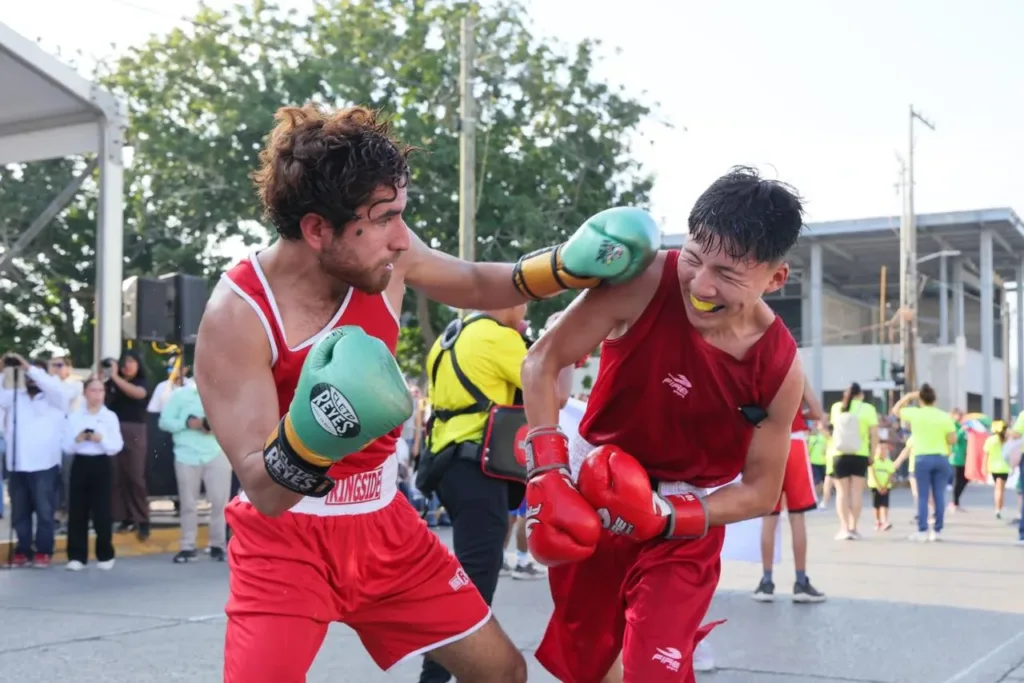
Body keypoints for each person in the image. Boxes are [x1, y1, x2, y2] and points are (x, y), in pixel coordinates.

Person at [193, 103, 659, 683]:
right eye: (384, 219)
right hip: (285, 545)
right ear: (317, 230)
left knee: (502, 673)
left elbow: (473, 282)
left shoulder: (386, 254)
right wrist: (314, 434)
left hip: (385, 525)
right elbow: (264, 490)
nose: (401, 238)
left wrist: (564, 267)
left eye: (400, 215)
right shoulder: (237, 316)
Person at [520, 166, 806, 683]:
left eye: (727, 274)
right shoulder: (646, 280)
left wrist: (667, 515)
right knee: (590, 669)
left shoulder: (779, 366)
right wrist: (548, 472)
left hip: (685, 523)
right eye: (694, 257)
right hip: (591, 499)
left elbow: (762, 491)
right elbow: (543, 361)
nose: (701, 285)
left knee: (654, 670)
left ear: (775, 278)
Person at [753, 382, 826, 603]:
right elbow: (817, 412)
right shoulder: (796, 373)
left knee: (769, 516)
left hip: (768, 444)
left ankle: (766, 582)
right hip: (794, 442)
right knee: (797, 516)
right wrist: (798, 414)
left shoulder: (760, 372)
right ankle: (801, 582)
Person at [158, 381, 232, 563]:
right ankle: (187, 546)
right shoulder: (180, 395)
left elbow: (233, 421)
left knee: (220, 502)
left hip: (217, 452)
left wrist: (209, 426)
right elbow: (164, 421)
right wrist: (187, 423)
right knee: (188, 504)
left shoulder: (223, 393)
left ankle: (218, 546)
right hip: (186, 454)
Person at [63, 378, 124, 570]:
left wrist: (101, 439)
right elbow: (66, 446)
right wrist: (79, 439)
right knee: (77, 510)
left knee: (102, 510)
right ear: (85, 393)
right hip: (80, 462)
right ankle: (76, 556)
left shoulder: (110, 417)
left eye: (100, 391)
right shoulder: (74, 416)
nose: (97, 395)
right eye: (93, 390)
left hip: (101, 463)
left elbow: (116, 446)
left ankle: (105, 554)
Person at [890, 384, 956, 542]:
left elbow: (895, 410)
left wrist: (908, 396)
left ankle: (922, 530)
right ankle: (937, 530)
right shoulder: (944, 416)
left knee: (923, 495)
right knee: (939, 494)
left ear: (920, 399)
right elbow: (952, 439)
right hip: (940, 457)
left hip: (921, 458)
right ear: (935, 399)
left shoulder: (915, 414)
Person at [104, 351, 151, 540]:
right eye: (124, 362)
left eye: (132, 362)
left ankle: (142, 519)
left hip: (135, 431)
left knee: (135, 475)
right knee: (116, 476)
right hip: (113, 430)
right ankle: (124, 517)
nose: (128, 366)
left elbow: (138, 394)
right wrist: (103, 373)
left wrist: (116, 378)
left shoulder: (142, 382)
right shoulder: (110, 384)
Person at [826, 382, 879, 540]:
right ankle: (853, 527)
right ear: (860, 394)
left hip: (839, 453)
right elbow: (874, 435)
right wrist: (872, 454)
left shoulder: (836, 407)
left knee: (842, 493)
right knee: (856, 492)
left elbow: (833, 430)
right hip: (860, 454)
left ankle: (844, 528)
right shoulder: (868, 409)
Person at [983, 420, 1011, 518]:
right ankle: (999, 508)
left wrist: (984, 467)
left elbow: (986, 455)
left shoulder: (990, 440)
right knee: (1001, 489)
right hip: (1005, 467)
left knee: (998, 489)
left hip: (993, 467)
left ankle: (998, 508)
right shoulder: (1008, 440)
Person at [868, 442, 894, 531]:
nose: (883, 451)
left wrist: (885, 485)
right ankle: (877, 521)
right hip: (875, 487)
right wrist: (878, 485)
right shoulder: (873, 462)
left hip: (886, 487)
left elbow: (890, 474)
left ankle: (885, 521)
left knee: (885, 504)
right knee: (876, 505)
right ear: (876, 450)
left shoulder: (889, 462)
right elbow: (872, 473)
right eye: (881, 449)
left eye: (885, 449)